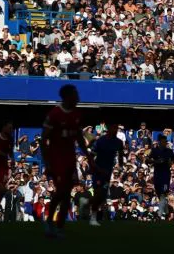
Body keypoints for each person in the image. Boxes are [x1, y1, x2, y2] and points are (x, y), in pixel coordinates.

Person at [42, 84, 93, 238]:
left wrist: (89, 157)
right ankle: (51, 222)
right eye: (75, 94)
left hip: (70, 159)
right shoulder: (54, 114)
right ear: (67, 97)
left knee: (66, 195)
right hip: (57, 159)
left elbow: (79, 138)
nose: (78, 97)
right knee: (63, 193)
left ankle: (59, 227)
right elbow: (44, 140)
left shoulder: (77, 114)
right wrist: (48, 163)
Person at [89, 122, 124, 226]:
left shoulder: (118, 142)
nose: (115, 130)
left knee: (102, 195)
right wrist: (94, 167)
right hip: (98, 171)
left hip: (108, 172)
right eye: (113, 127)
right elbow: (91, 154)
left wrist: (121, 166)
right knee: (98, 192)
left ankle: (87, 202)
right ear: (108, 128)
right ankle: (93, 218)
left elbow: (121, 155)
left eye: (116, 128)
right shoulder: (101, 141)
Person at [148, 134, 174, 220]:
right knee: (160, 195)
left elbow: (173, 161)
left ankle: (159, 215)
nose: (164, 143)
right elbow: (147, 160)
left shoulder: (169, 151)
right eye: (163, 142)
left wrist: (169, 163)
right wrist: (156, 161)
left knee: (163, 194)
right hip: (157, 175)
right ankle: (167, 211)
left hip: (166, 175)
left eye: (165, 142)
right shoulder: (154, 150)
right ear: (159, 142)